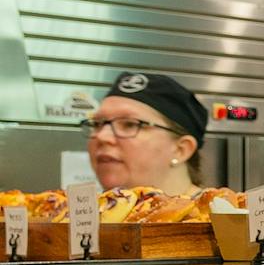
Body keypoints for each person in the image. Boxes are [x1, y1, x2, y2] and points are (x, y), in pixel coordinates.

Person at [81, 72, 209, 193]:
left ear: (181, 150)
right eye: (97, 124)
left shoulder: (217, 215)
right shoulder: (87, 214)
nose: (102, 136)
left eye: (129, 124)